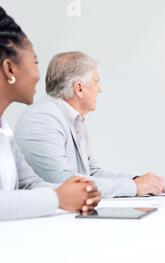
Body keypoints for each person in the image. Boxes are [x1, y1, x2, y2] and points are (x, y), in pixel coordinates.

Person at [14, 51, 165, 198]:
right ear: (79, 88)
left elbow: (91, 172)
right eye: (96, 82)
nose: (99, 89)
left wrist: (136, 181)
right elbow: (62, 182)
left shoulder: (72, 118)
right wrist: (134, 187)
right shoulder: (43, 119)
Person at [0, 7, 100, 221]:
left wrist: (79, 191)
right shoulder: (42, 117)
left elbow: (30, 183)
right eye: (35, 62)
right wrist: (57, 197)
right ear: (9, 69)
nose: (39, 75)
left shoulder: (5, 133)